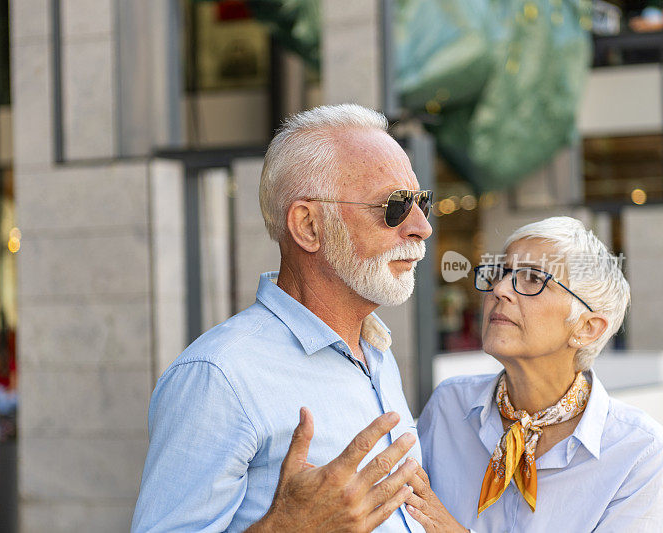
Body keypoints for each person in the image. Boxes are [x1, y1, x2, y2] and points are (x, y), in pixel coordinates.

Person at [132, 104, 434, 532]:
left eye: (421, 202)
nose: (421, 226)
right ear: (308, 225)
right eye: (395, 205)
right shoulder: (219, 376)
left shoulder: (376, 355)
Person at [405, 216, 663, 531]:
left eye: (532, 278)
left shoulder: (638, 451)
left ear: (587, 328)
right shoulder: (450, 405)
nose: (499, 289)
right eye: (500, 273)